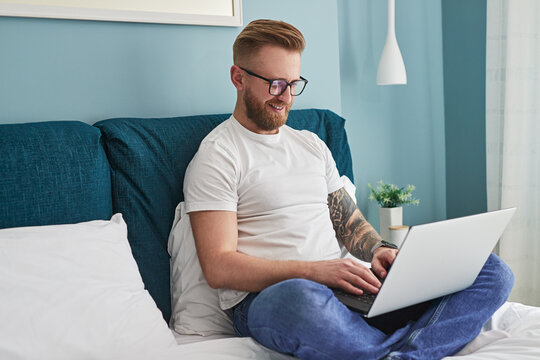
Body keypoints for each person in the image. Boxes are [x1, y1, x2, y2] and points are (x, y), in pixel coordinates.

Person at [183, 19, 514, 360]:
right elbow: (219, 267)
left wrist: (378, 251)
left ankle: (405, 353)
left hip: (347, 289)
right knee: (300, 299)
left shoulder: (311, 145)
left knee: (490, 269)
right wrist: (315, 271)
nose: (286, 97)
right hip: (277, 297)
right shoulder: (218, 156)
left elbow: (348, 223)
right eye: (276, 84)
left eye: (294, 84)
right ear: (238, 78)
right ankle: (413, 343)